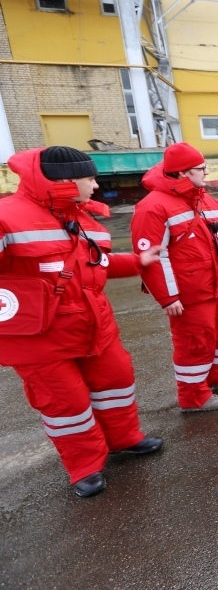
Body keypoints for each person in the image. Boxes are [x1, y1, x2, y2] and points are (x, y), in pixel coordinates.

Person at [0, 147, 164, 497]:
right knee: (66, 403)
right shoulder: (7, 216)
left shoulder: (83, 218)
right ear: (65, 181)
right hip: (37, 339)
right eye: (90, 178)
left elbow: (97, 263)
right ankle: (85, 466)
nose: (96, 184)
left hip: (94, 325)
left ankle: (123, 438)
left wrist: (139, 261)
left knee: (116, 381)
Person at [130, 143, 218, 412]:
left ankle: (215, 377)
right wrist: (168, 298)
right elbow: (153, 258)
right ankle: (193, 397)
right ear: (183, 173)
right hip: (187, 292)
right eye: (202, 169)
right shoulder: (152, 208)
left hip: (213, 283)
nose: (207, 172)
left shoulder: (205, 200)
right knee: (195, 343)